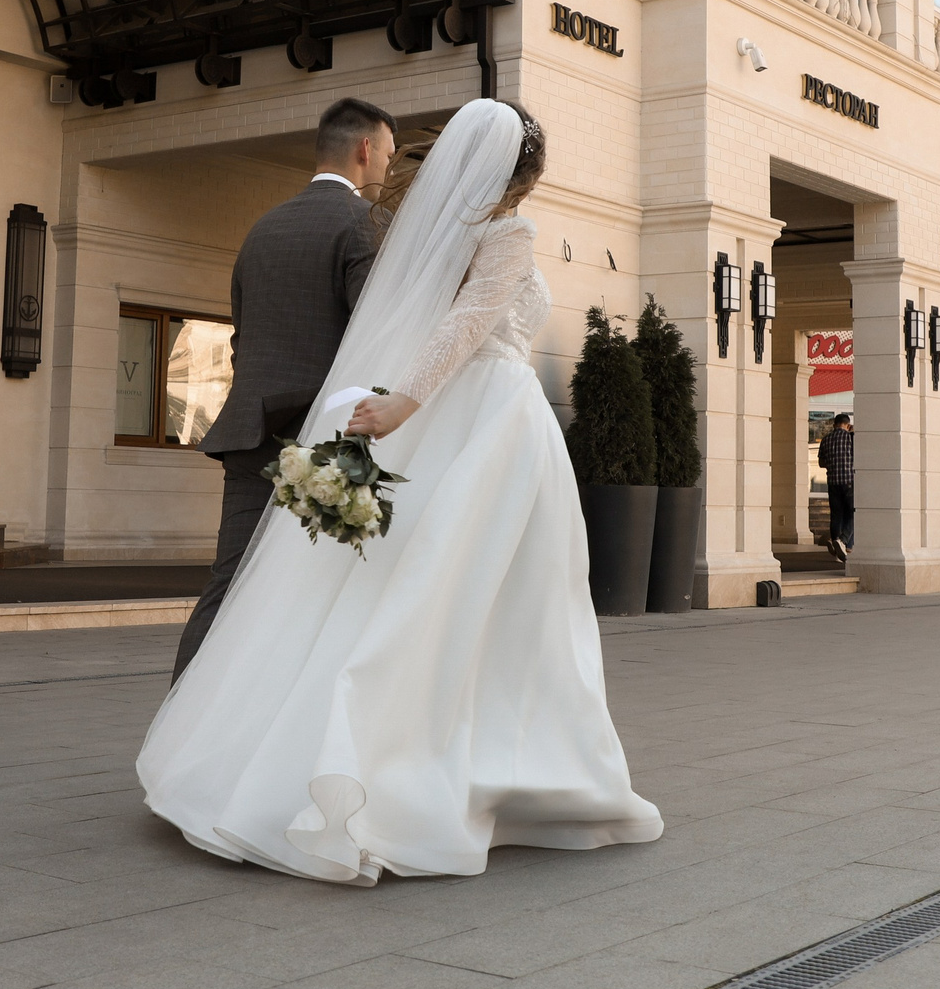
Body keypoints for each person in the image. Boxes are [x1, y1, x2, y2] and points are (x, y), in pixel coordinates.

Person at [139, 99, 663, 884]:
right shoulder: (510, 234)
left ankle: (248, 743)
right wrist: (396, 408)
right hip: (492, 427)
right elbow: (465, 330)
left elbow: (408, 329)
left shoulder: (429, 240)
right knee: (502, 602)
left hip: (439, 421)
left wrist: (388, 404)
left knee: (398, 593)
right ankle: (481, 765)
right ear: (524, 175)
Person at [174, 98, 395, 680]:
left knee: (230, 583)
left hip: (249, 434)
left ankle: (178, 721)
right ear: (365, 149)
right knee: (326, 594)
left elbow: (242, 342)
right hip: (323, 442)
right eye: (390, 154)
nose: (390, 169)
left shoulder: (262, 228)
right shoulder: (363, 223)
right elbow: (373, 336)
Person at [821, 411, 856, 562]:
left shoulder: (826, 439)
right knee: (854, 512)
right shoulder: (851, 438)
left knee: (836, 515)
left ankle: (836, 546)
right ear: (847, 425)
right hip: (849, 481)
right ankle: (842, 541)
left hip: (832, 482)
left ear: (834, 425)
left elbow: (821, 463)